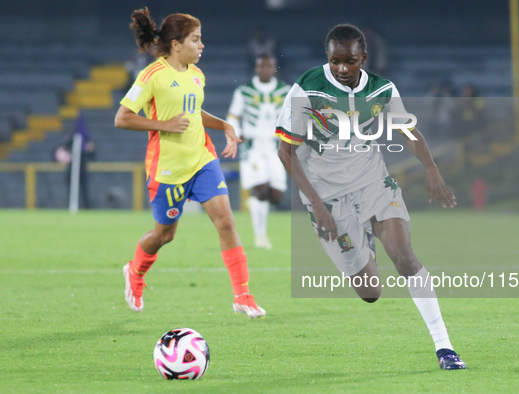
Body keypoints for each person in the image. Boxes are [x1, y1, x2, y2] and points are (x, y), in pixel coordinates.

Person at [276, 24, 466, 369]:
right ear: (328, 58)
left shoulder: (382, 89)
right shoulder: (307, 88)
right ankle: (363, 241)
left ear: (363, 58)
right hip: (327, 198)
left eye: (350, 60)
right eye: (336, 61)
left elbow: (408, 131)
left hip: (373, 183)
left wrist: (430, 167)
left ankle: (445, 348)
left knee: (406, 259)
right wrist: (316, 204)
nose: (343, 68)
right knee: (370, 292)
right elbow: (285, 152)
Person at [114, 8, 266, 318]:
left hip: (202, 160)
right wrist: (164, 125)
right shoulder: (151, 76)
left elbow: (194, 112)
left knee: (226, 221)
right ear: (175, 44)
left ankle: (243, 295)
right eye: (196, 39)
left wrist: (224, 125)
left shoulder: (197, 75)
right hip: (168, 169)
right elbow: (122, 118)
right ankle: (136, 271)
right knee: (164, 235)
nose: (201, 45)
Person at [226, 53, 290, 249]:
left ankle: (256, 206)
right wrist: (237, 134)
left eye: (269, 66)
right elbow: (233, 116)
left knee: (276, 195)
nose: (266, 69)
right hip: (252, 146)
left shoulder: (285, 90)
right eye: (262, 66)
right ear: (256, 68)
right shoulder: (244, 91)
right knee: (261, 190)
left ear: (274, 68)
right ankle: (260, 236)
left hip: (274, 146)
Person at [54, 112, 95, 209]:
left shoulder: (86, 141)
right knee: (72, 188)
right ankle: (71, 206)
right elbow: (62, 149)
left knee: (84, 189)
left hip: (82, 169)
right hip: (72, 168)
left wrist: (90, 150)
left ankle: (86, 207)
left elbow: (92, 156)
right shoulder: (73, 139)